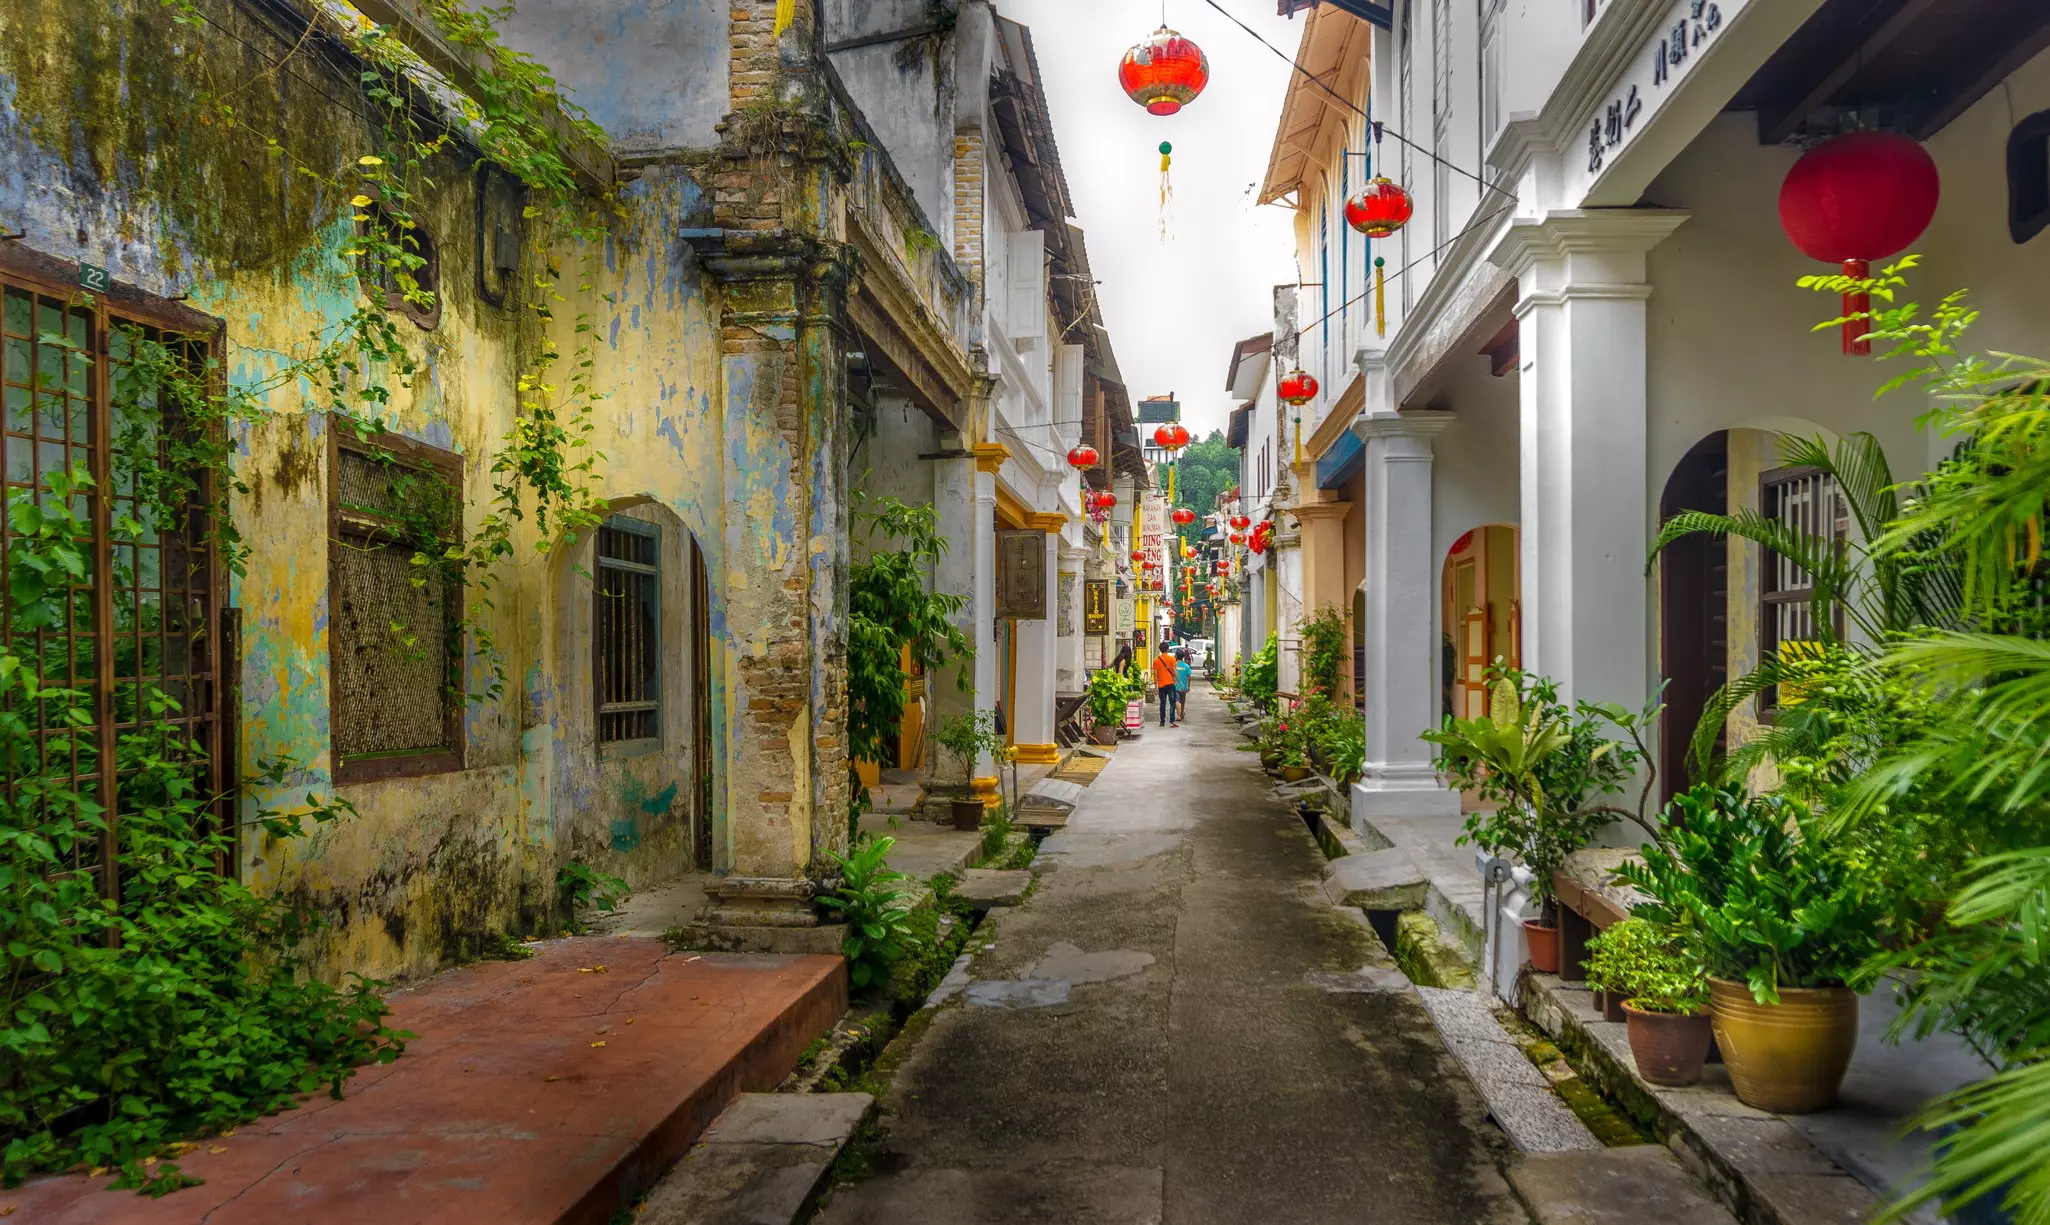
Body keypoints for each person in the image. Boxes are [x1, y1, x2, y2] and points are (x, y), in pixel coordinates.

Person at [1151, 647, 1178, 727]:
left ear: (1160, 649)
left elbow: (1155, 674)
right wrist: (1179, 682)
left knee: (1162, 703)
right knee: (1172, 702)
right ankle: (1172, 720)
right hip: (1171, 684)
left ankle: (1162, 721)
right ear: (1167, 649)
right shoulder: (1172, 659)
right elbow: (1175, 671)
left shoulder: (1156, 660)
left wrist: (1156, 687)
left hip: (1161, 685)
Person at [1174, 648, 1192, 723]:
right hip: (1184, 687)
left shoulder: (1174, 665)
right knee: (1183, 701)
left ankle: (1178, 715)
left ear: (1176, 656)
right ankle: (1181, 713)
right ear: (1183, 657)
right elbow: (1189, 677)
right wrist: (1188, 686)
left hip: (1175, 686)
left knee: (1176, 701)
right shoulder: (1186, 666)